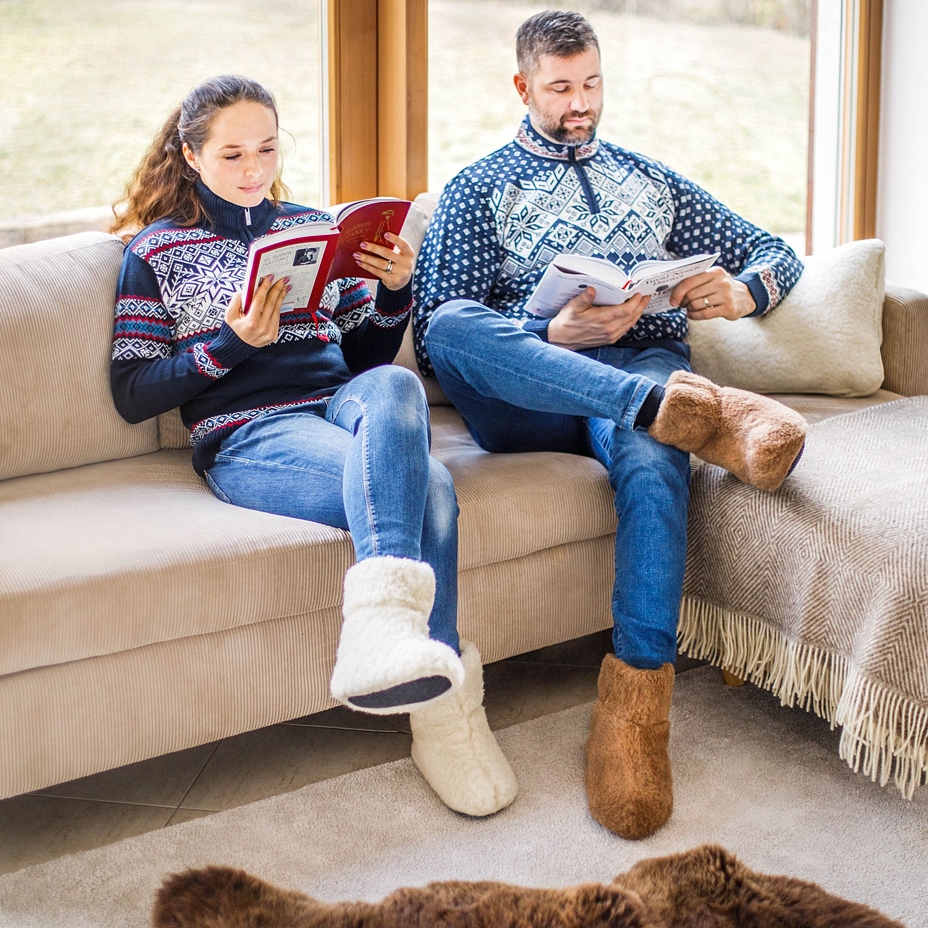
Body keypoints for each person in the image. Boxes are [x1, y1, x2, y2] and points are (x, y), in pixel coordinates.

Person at [413, 12, 806, 839]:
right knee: (454, 324)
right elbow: (436, 325)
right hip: (531, 393)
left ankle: (634, 714)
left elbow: (774, 249)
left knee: (654, 458)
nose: (580, 103)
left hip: (645, 365)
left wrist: (744, 291)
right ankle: (692, 414)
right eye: (561, 87)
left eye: (591, 83)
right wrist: (549, 333)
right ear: (522, 87)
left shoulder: (649, 180)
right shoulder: (479, 188)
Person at [109, 75, 517, 818]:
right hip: (248, 432)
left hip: (340, 404)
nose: (254, 170)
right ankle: (444, 715)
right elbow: (133, 391)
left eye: (267, 149)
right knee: (429, 486)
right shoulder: (156, 250)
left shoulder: (313, 230)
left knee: (396, 385)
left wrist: (394, 291)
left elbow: (366, 358)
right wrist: (231, 343)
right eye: (233, 154)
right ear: (192, 156)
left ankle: (384, 635)